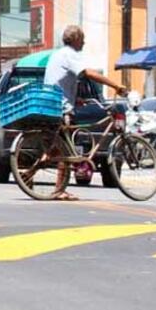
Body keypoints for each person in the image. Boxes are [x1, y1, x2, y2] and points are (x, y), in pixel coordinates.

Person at [43, 25, 127, 200]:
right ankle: (58, 190)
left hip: (53, 103)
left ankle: (30, 173)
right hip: (61, 106)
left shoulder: (57, 54)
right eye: (82, 39)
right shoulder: (70, 54)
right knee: (66, 151)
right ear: (75, 39)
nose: (84, 42)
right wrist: (115, 86)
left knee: (57, 149)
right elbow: (87, 73)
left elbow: (62, 80)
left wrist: (77, 99)